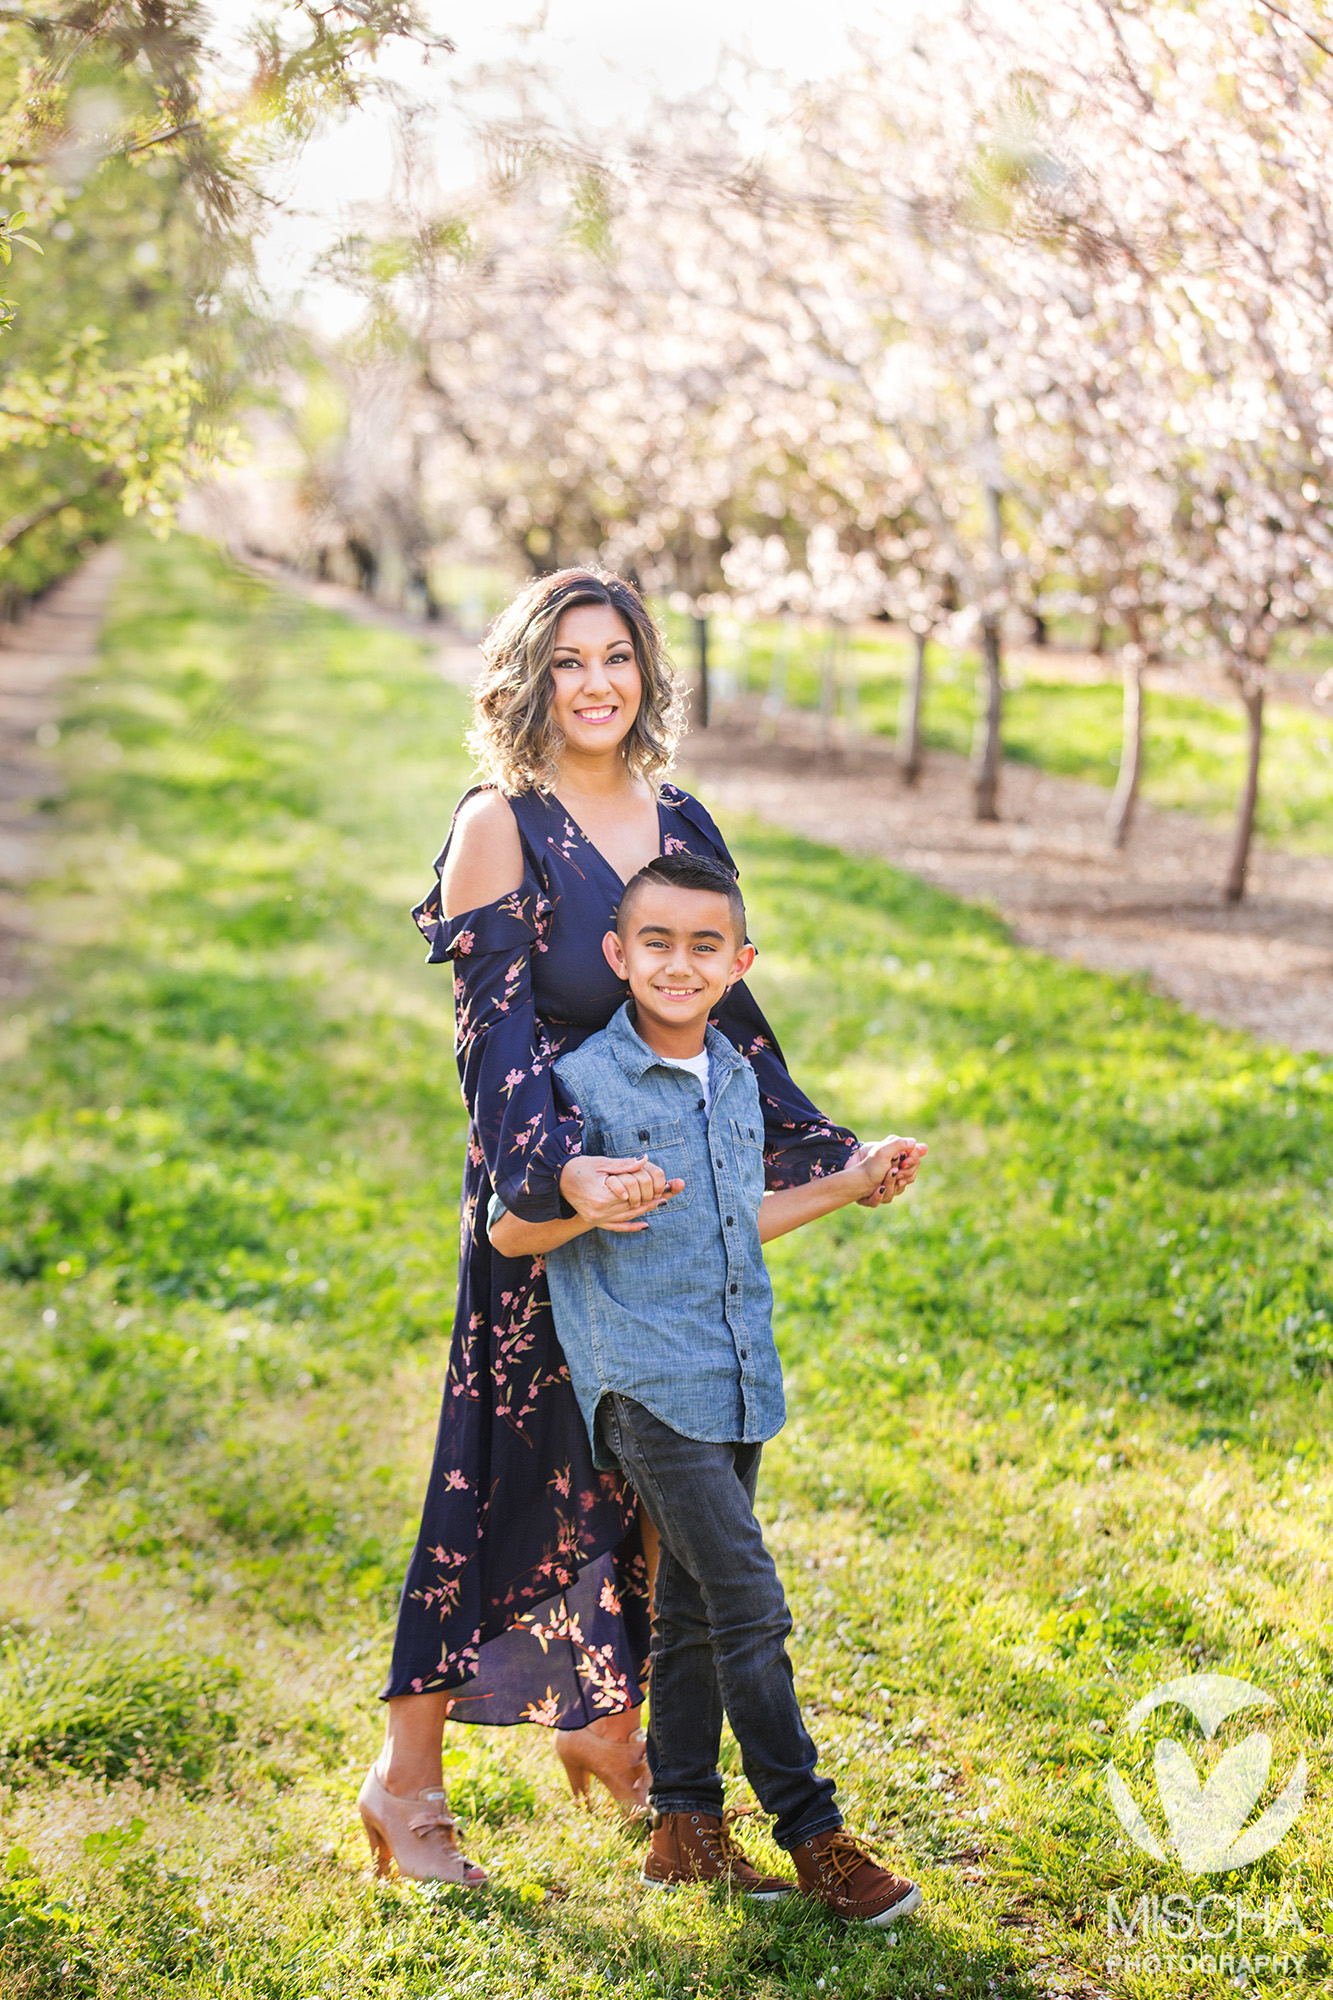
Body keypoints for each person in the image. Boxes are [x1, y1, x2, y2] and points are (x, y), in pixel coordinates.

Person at [358, 568, 915, 1888]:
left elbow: (722, 1014)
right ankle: (406, 1784)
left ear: (645, 673)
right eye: (567, 662)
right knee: (498, 1479)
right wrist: (562, 1181)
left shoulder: (680, 814)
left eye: (616, 658)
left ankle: (621, 1742)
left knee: (658, 1490)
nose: (596, 683)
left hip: (667, 1209)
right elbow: (492, 1051)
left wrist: (827, 1151)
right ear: (529, 679)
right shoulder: (502, 822)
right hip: (546, 1196)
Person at [488, 852, 926, 1925]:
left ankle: (681, 1829)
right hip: (642, 1383)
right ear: (616, 954)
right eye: (655, 942)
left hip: (735, 1377)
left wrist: (846, 1181)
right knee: (747, 1600)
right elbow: (507, 1227)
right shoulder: (577, 1084)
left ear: (740, 962)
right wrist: (585, 1202)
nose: (678, 964)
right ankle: (814, 1833)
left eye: (703, 945)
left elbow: (733, 1221)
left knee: (685, 1609)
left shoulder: (732, 1074)